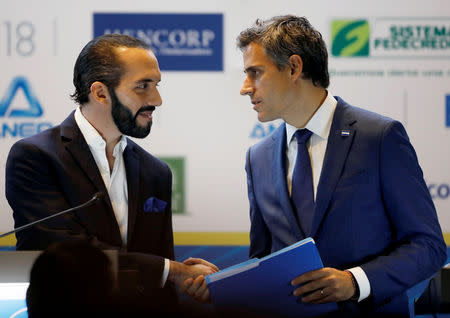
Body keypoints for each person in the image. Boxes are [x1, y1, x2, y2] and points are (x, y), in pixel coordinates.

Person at [185, 15, 447, 317]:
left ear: (294, 67)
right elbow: (264, 259)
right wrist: (220, 285)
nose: (245, 88)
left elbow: (428, 246)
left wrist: (355, 281)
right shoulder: (257, 157)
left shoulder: (379, 137)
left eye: (255, 73)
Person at [5, 34, 217, 312]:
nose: (157, 99)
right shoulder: (36, 157)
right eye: (143, 86)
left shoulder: (157, 173)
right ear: (100, 93)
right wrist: (170, 271)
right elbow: (60, 252)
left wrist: (179, 277)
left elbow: (160, 279)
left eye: (156, 85)